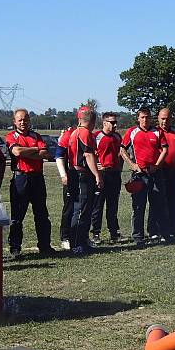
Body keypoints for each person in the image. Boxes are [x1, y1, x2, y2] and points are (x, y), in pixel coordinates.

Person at [6, 109, 54, 258]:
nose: (23, 122)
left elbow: (45, 154)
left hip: (37, 178)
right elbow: (17, 152)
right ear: (14, 122)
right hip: (21, 178)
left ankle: (45, 246)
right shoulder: (10, 136)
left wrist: (31, 152)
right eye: (19, 120)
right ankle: (15, 248)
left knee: (41, 214)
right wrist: (35, 150)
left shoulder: (36, 135)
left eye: (25, 119)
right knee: (17, 216)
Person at [120, 107, 169, 246]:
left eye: (147, 117)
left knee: (158, 205)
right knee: (138, 207)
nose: (145, 120)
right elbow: (122, 149)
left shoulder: (157, 132)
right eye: (142, 117)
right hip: (139, 175)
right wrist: (132, 164)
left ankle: (158, 233)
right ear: (138, 118)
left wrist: (157, 165)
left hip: (155, 174)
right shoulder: (132, 132)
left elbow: (165, 149)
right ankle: (138, 236)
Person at [67, 108, 103, 255]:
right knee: (81, 209)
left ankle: (82, 241)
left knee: (83, 209)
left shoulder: (75, 132)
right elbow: (88, 155)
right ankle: (76, 243)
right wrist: (97, 175)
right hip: (81, 174)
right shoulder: (85, 133)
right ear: (93, 121)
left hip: (75, 173)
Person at [91, 112, 123, 244]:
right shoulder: (96, 136)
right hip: (101, 174)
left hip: (114, 175)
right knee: (98, 205)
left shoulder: (117, 136)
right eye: (112, 122)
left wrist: (119, 168)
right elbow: (89, 153)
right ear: (104, 122)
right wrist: (96, 167)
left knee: (113, 205)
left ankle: (114, 232)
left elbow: (121, 153)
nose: (115, 125)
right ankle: (96, 233)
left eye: (115, 122)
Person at [155, 108, 175, 238]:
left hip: (174, 171)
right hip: (159, 171)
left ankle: (174, 228)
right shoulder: (154, 132)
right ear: (158, 118)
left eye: (167, 118)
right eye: (162, 118)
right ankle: (157, 229)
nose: (164, 121)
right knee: (159, 201)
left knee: (174, 200)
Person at [55, 126, 77, 250]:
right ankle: (65, 237)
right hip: (71, 175)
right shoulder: (69, 134)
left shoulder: (89, 134)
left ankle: (81, 235)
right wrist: (63, 174)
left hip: (84, 176)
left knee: (83, 207)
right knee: (69, 207)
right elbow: (58, 155)